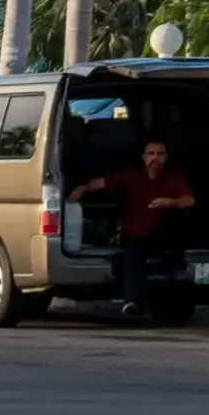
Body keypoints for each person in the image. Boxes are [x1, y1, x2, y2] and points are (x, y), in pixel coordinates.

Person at [67, 135, 198, 316]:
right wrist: (82, 188)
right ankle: (134, 300)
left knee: (145, 255)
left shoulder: (173, 179)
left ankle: (145, 300)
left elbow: (189, 200)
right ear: (144, 157)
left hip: (161, 235)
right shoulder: (132, 175)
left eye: (160, 154)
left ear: (165, 158)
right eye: (151, 153)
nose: (155, 158)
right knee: (129, 257)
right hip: (134, 235)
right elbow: (103, 182)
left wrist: (169, 202)